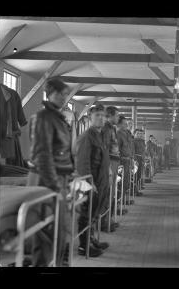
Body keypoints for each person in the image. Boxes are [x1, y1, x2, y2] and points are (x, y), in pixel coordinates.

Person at [28, 78, 73, 266]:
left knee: (58, 228)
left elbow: (64, 152)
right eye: (62, 94)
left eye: (66, 94)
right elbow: (42, 155)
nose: (65, 98)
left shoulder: (58, 118)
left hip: (58, 178)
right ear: (51, 93)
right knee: (46, 229)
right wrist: (54, 185)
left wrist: (70, 176)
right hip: (46, 180)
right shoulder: (44, 118)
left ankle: (54, 261)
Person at [75, 104, 110, 257]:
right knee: (86, 213)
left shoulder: (100, 135)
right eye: (97, 116)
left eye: (103, 115)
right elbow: (83, 163)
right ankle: (84, 246)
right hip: (91, 183)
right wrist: (90, 183)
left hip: (100, 181)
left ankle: (91, 239)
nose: (101, 118)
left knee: (95, 213)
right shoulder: (87, 136)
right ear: (90, 118)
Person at [101, 106, 120, 232]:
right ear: (110, 115)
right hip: (110, 163)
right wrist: (107, 167)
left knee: (111, 192)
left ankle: (109, 218)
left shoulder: (112, 128)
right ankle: (104, 221)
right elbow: (105, 148)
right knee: (108, 193)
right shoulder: (106, 129)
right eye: (117, 115)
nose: (118, 117)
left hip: (113, 162)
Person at [117, 115, 134, 206]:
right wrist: (119, 163)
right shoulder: (118, 134)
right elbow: (117, 150)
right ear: (119, 124)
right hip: (122, 161)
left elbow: (130, 148)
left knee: (126, 182)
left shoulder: (127, 134)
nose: (126, 125)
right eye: (125, 124)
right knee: (121, 183)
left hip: (127, 160)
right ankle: (119, 203)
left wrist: (131, 159)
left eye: (127, 124)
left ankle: (123, 200)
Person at [133, 129, 145, 193]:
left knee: (139, 175)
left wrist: (143, 159)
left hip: (141, 159)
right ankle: (135, 190)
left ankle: (136, 188)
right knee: (136, 175)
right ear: (134, 134)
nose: (139, 135)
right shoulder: (133, 141)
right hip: (136, 158)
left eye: (140, 134)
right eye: (137, 133)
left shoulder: (142, 141)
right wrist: (135, 160)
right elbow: (133, 151)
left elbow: (143, 151)